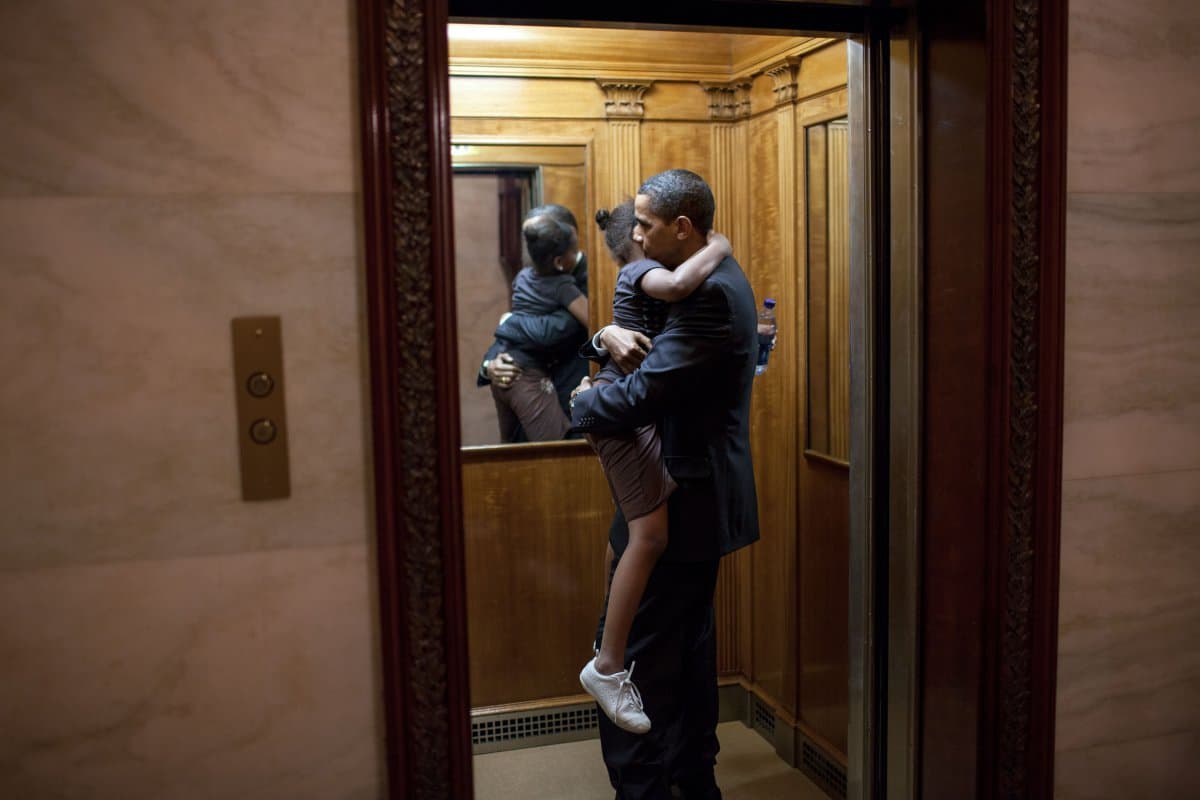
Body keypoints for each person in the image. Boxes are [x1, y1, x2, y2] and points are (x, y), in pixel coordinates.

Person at [570, 169, 760, 799]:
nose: (637, 235)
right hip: (685, 494)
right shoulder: (700, 275)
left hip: (683, 498)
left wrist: (582, 402)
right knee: (683, 653)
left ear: (682, 228)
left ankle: (648, 788)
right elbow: (639, 339)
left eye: (647, 226)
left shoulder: (708, 295)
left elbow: (642, 393)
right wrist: (604, 336)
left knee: (642, 660)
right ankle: (688, 783)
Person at [577, 200, 732, 736]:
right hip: (616, 411)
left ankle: (608, 643)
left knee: (632, 529)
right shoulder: (643, 272)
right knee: (648, 536)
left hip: (630, 417)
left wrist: (603, 335)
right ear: (640, 242)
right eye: (643, 228)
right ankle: (607, 665)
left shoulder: (640, 278)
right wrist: (719, 246)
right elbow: (678, 285)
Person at [477, 204, 590, 441]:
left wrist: (508, 322)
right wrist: (490, 365)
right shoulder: (533, 274)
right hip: (526, 408)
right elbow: (523, 324)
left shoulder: (591, 280)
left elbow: (547, 331)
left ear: (570, 234)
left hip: (572, 416)